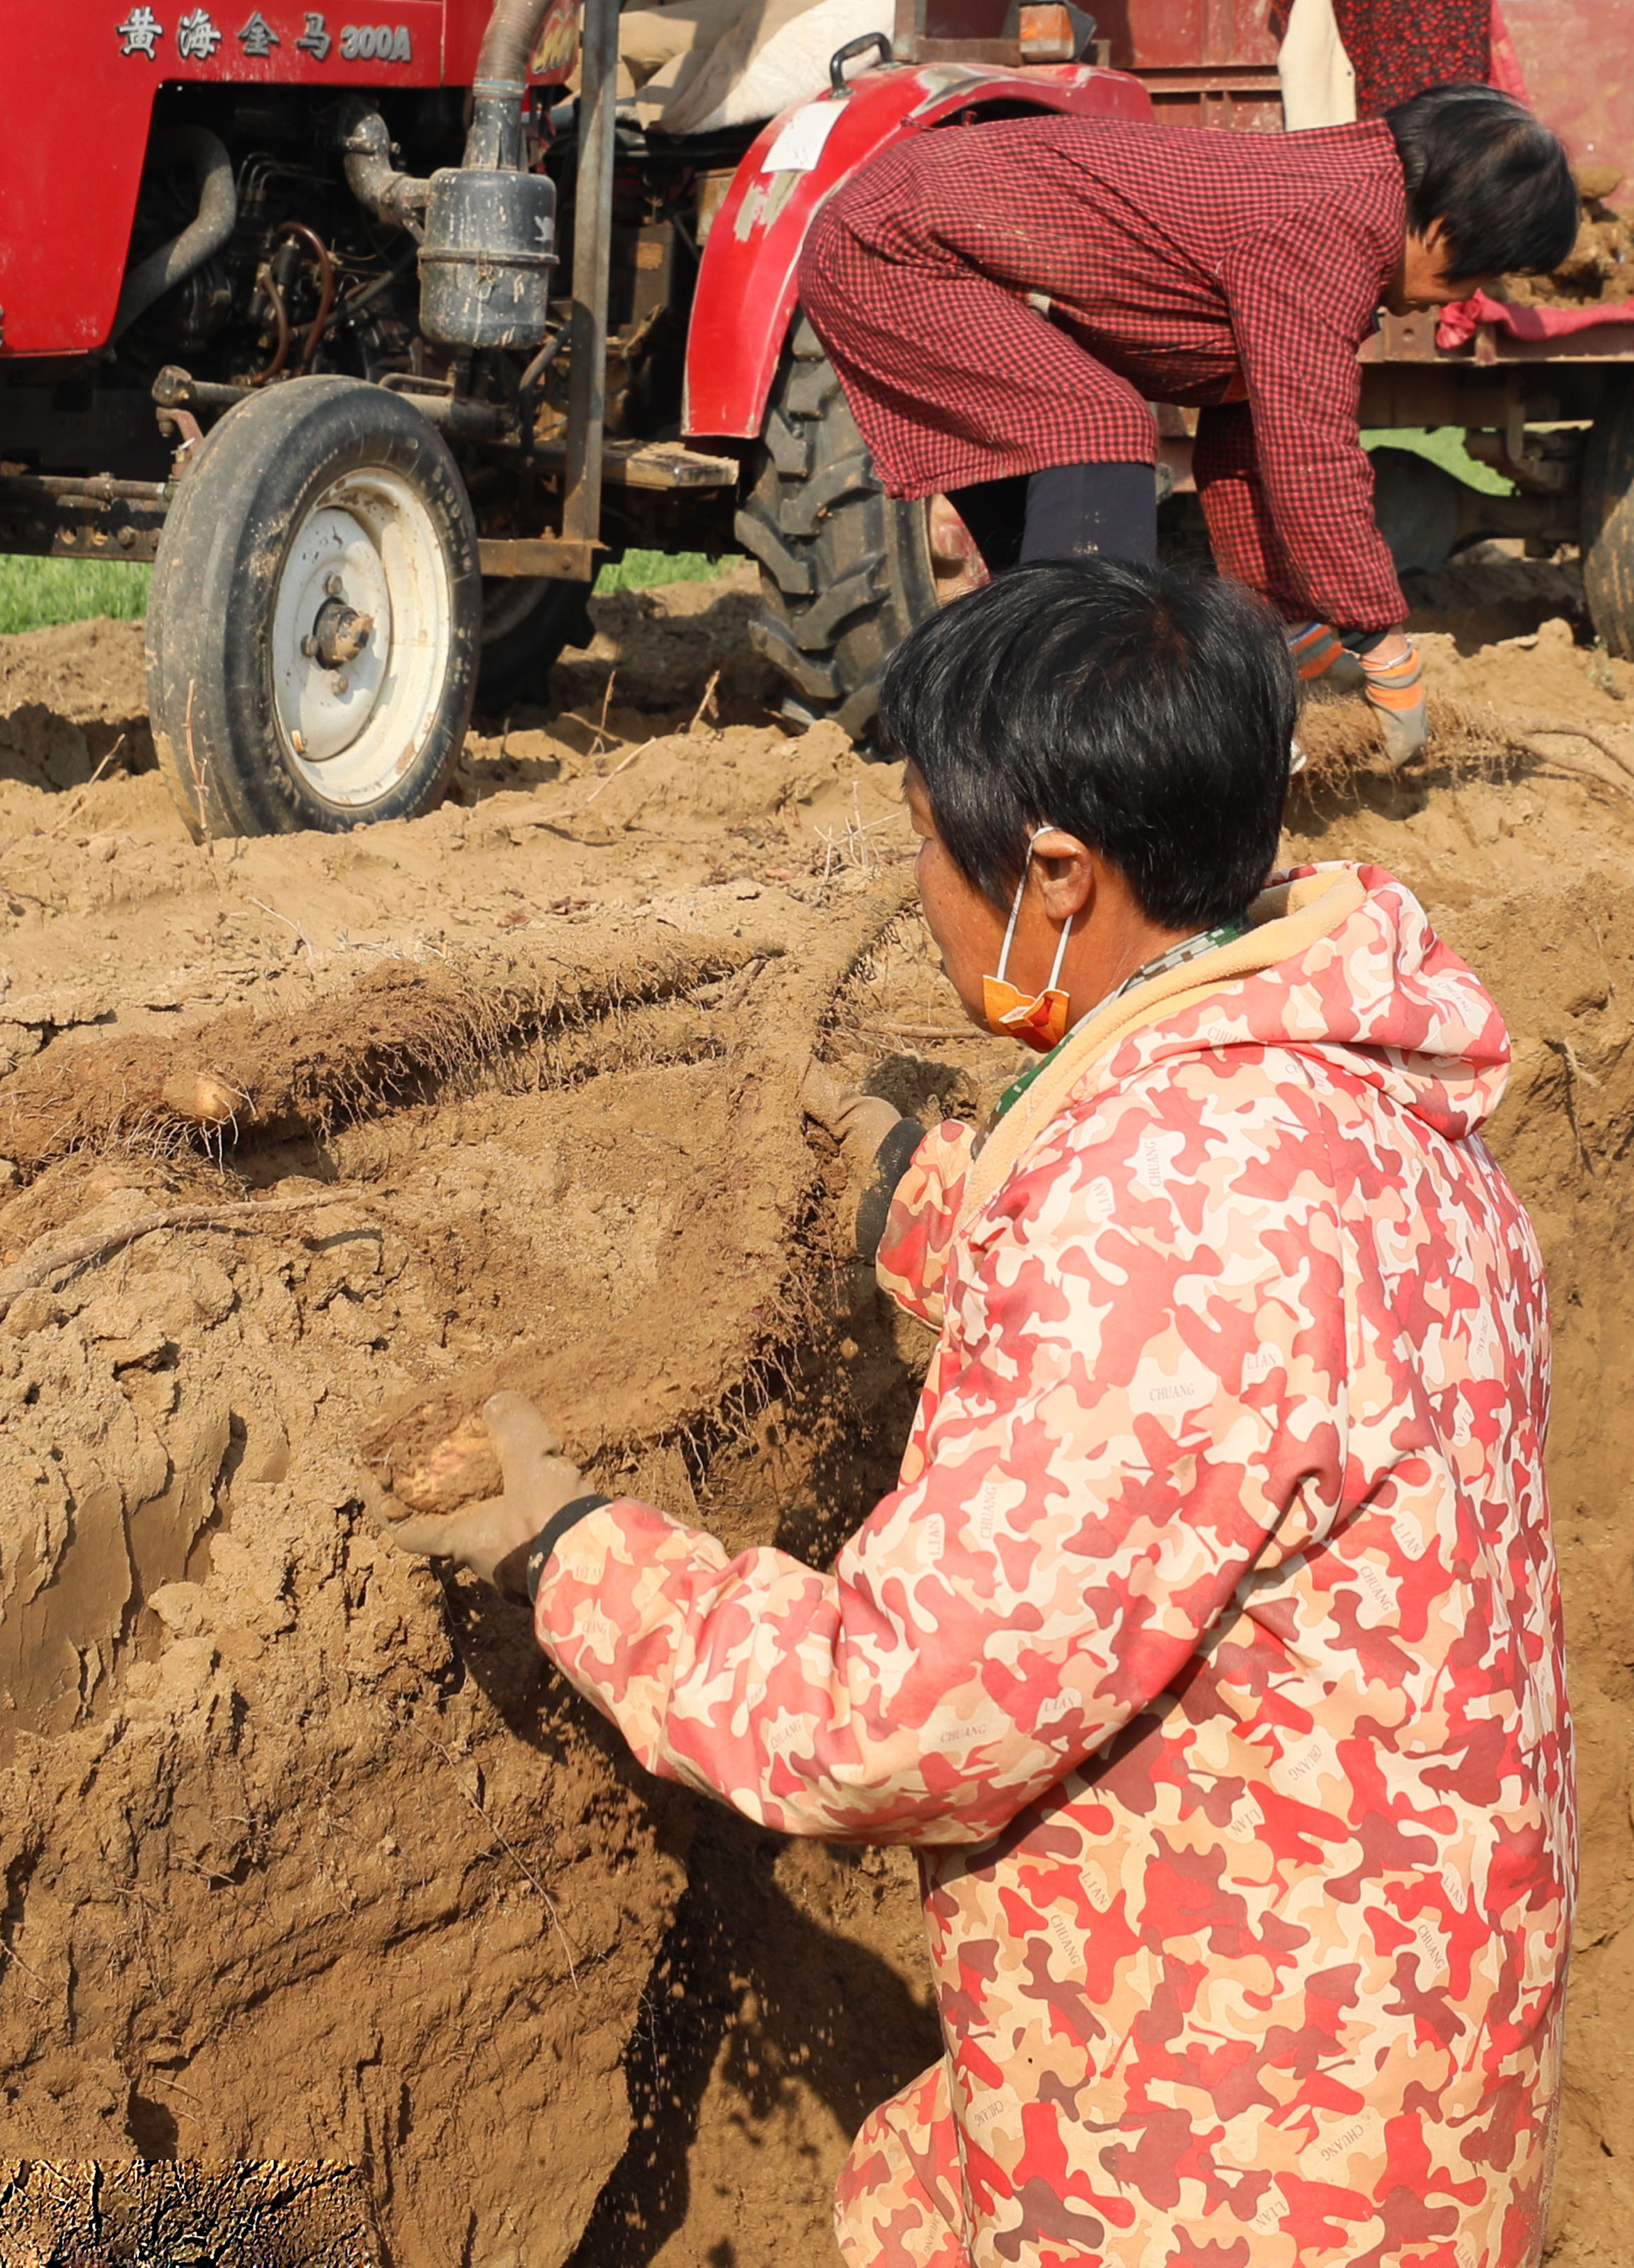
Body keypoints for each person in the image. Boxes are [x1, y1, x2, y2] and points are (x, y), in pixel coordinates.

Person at [392, 558, 1571, 2265]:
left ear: (1058, 877)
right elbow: (1231, 1376)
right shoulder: (1367, 1107)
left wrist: (571, 1552)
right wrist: (922, 1197)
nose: (921, 892)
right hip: (1380, 2053)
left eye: (931, 847)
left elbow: (889, 1712)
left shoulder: (1169, 1228)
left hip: (1231, 2159)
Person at [796, 86, 1582, 758]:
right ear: (1446, 227)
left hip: (900, 237)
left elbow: (1247, 443)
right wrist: (1381, 639)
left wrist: (1284, 625)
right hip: (891, 248)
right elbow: (1313, 452)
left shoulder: (1348, 198)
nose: (1463, 299)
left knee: (1048, 568)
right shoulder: (1336, 223)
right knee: (1098, 423)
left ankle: (1022, 739)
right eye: (1481, 273)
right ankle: (1090, 734)